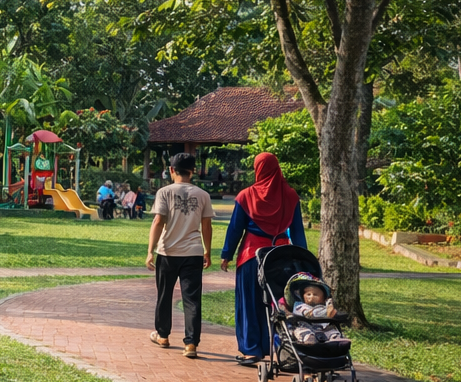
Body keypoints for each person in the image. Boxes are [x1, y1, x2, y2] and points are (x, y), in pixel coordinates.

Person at [221, 152, 307, 365]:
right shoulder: (290, 196)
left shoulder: (246, 196)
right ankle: (284, 351)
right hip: (281, 258)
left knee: (249, 304)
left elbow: (235, 230)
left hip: (252, 256)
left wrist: (226, 255)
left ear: (258, 169)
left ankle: (251, 351)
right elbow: (297, 232)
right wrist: (302, 260)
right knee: (280, 306)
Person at [146, 153, 213, 359]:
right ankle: (191, 343)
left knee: (164, 295)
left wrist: (150, 250)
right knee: (191, 299)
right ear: (193, 171)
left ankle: (163, 335)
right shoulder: (203, 195)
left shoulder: (164, 192)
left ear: (172, 170)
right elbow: (207, 225)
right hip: (193, 253)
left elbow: (158, 221)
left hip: (167, 252)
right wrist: (207, 250)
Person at [287, 275, 350, 346]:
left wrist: (336, 314)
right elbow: (310, 314)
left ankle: (335, 339)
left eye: (316, 294)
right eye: (308, 294)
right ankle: (309, 339)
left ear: (323, 298)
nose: (312, 296)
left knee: (332, 330)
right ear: (302, 296)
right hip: (306, 327)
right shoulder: (300, 306)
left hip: (323, 329)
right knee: (300, 331)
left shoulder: (323, 307)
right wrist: (327, 312)